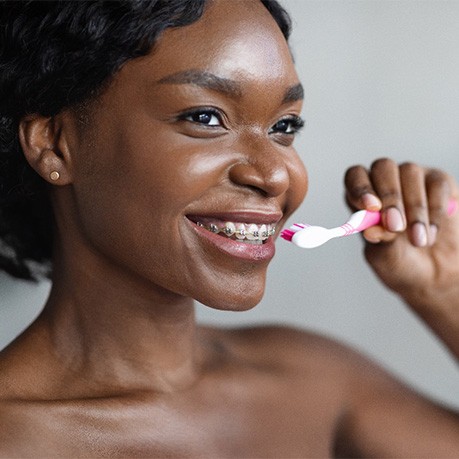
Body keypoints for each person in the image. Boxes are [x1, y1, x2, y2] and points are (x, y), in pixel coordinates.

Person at [0, 0, 458, 457]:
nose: (277, 175)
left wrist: (444, 289)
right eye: (205, 117)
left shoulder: (313, 384)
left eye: (284, 125)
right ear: (55, 144)